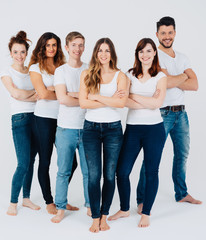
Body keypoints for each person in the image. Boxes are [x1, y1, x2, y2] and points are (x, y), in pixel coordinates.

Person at [137, 16, 202, 212]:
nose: (167, 36)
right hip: (162, 114)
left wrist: (174, 78)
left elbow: (195, 84)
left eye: (170, 32)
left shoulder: (182, 57)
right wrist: (182, 76)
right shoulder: (154, 55)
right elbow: (169, 82)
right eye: (163, 33)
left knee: (182, 154)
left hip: (181, 114)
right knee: (151, 157)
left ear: (175, 33)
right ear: (157, 34)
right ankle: (141, 199)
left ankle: (181, 193)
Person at [108, 38, 167, 227]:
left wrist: (132, 95)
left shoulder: (161, 77)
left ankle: (146, 212)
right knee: (122, 171)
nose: (145, 55)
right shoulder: (129, 75)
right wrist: (146, 100)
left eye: (149, 51)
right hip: (133, 128)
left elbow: (157, 104)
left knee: (151, 172)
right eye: (141, 51)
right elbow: (123, 101)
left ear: (154, 53)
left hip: (155, 129)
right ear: (137, 54)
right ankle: (125, 209)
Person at [79, 38, 128, 233]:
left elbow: (121, 104)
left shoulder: (120, 76)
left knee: (109, 175)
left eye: (107, 50)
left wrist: (97, 97)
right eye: (100, 50)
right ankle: (95, 217)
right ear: (95, 53)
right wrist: (110, 100)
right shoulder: (87, 74)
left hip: (113, 130)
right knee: (93, 176)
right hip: (90, 129)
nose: (103, 54)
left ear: (112, 54)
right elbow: (83, 103)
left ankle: (104, 217)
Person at [28, 32, 78, 215]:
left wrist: (55, 90)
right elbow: (43, 94)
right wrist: (61, 92)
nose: (51, 48)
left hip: (64, 119)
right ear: (42, 47)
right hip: (43, 119)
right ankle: (49, 201)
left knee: (71, 164)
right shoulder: (35, 68)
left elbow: (71, 91)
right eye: (48, 45)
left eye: (54, 45)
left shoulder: (63, 67)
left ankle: (60, 199)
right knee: (46, 161)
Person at [51, 31, 90, 223]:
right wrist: (82, 97)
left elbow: (93, 95)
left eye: (81, 45)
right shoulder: (61, 71)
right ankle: (60, 208)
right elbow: (62, 98)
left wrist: (75, 95)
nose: (78, 49)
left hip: (87, 127)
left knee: (88, 171)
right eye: (74, 45)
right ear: (67, 47)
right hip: (65, 128)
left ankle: (90, 206)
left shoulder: (90, 68)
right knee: (63, 171)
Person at [0, 31, 40, 216]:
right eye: (15, 52)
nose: (19, 55)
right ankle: (13, 201)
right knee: (22, 163)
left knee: (31, 161)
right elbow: (15, 94)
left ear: (26, 52)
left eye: (22, 52)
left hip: (37, 117)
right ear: (10, 52)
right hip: (20, 120)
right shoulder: (6, 72)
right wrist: (32, 95)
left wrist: (28, 95)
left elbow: (41, 93)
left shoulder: (32, 70)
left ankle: (26, 198)